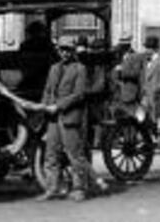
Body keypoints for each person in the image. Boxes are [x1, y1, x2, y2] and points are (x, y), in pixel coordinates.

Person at [37, 36, 94, 202]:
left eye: (68, 49)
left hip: (70, 117)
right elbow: (48, 90)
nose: (64, 53)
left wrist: (59, 105)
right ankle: (52, 188)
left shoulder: (80, 69)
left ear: (73, 51)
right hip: (53, 119)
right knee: (51, 154)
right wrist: (45, 106)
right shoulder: (53, 68)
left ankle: (79, 188)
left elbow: (79, 94)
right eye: (62, 49)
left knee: (74, 154)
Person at [80, 36, 111, 195]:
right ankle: (87, 178)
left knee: (86, 142)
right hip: (90, 103)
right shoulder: (93, 65)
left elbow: (99, 86)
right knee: (85, 144)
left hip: (93, 105)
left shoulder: (99, 66)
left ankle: (88, 180)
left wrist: (82, 92)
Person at [115, 34, 146, 109]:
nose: (121, 47)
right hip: (116, 92)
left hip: (130, 90)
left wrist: (122, 70)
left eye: (123, 45)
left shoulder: (136, 56)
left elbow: (136, 73)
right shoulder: (116, 54)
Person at [142, 36, 160, 114]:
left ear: (154, 49)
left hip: (155, 98)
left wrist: (155, 96)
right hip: (145, 98)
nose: (146, 50)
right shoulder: (145, 61)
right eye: (146, 48)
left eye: (148, 48)